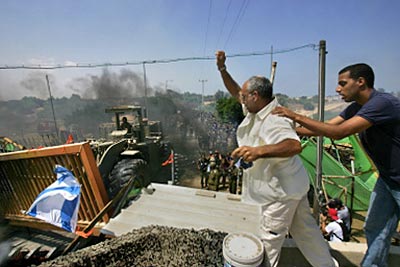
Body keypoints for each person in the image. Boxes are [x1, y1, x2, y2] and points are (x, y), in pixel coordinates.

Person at [215, 50, 336, 267]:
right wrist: (222, 69)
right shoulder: (256, 108)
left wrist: (258, 151)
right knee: (307, 234)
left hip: (279, 194)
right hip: (292, 187)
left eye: (244, 96)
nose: (240, 99)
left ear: (255, 96)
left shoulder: (275, 118)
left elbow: (293, 145)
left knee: (268, 241)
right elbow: (235, 91)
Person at [272, 63, 400, 267]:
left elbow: (339, 133)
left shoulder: (381, 104)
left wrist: (294, 115)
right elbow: (325, 128)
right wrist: (286, 131)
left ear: (360, 82)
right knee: (375, 227)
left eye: (342, 83)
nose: (338, 89)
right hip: (388, 179)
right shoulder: (357, 108)